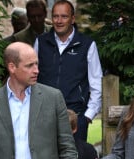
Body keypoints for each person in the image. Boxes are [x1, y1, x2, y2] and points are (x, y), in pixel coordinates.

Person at [35, 0, 102, 142]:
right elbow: (31, 77)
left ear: (73, 19)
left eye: (64, 16)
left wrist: (87, 116)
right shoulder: (40, 42)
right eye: (55, 16)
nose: (59, 21)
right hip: (44, 115)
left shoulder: (87, 45)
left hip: (75, 117)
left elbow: (96, 83)